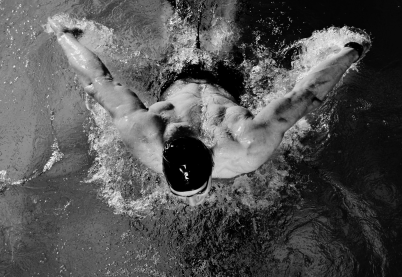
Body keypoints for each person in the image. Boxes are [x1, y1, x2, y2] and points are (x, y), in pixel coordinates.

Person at [48, 18, 366, 206]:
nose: (193, 202)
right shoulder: (245, 146)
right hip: (209, 77)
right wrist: (352, 50)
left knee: (184, 23)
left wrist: (63, 35)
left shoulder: (147, 134)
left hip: (186, 75)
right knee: (216, 27)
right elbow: (304, 95)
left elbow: (98, 81)